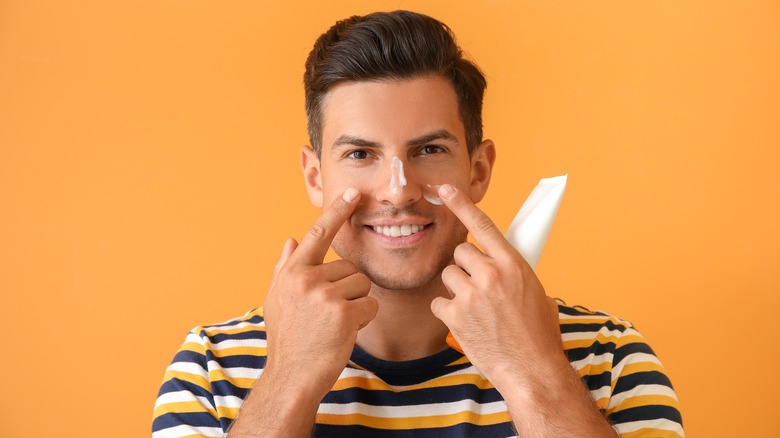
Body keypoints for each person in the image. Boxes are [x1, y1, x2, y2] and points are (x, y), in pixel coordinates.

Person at [153, 10, 684, 438]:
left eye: (429, 149)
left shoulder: (606, 356)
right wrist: (290, 378)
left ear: (477, 171)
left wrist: (532, 373)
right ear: (316, 178)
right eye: (360, 153)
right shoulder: (213, 369)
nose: (398, 188)